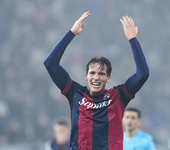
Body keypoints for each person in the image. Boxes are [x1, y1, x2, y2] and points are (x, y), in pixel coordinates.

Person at [44, 11, 149, 150]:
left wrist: (132, 39)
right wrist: (71, 33)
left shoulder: (118, 96)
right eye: (92, 73)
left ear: (108, 78)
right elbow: (50, 64)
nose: (96, 77)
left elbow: (142, 74)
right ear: (86, 76)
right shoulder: (75, 93)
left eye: (101, 73)